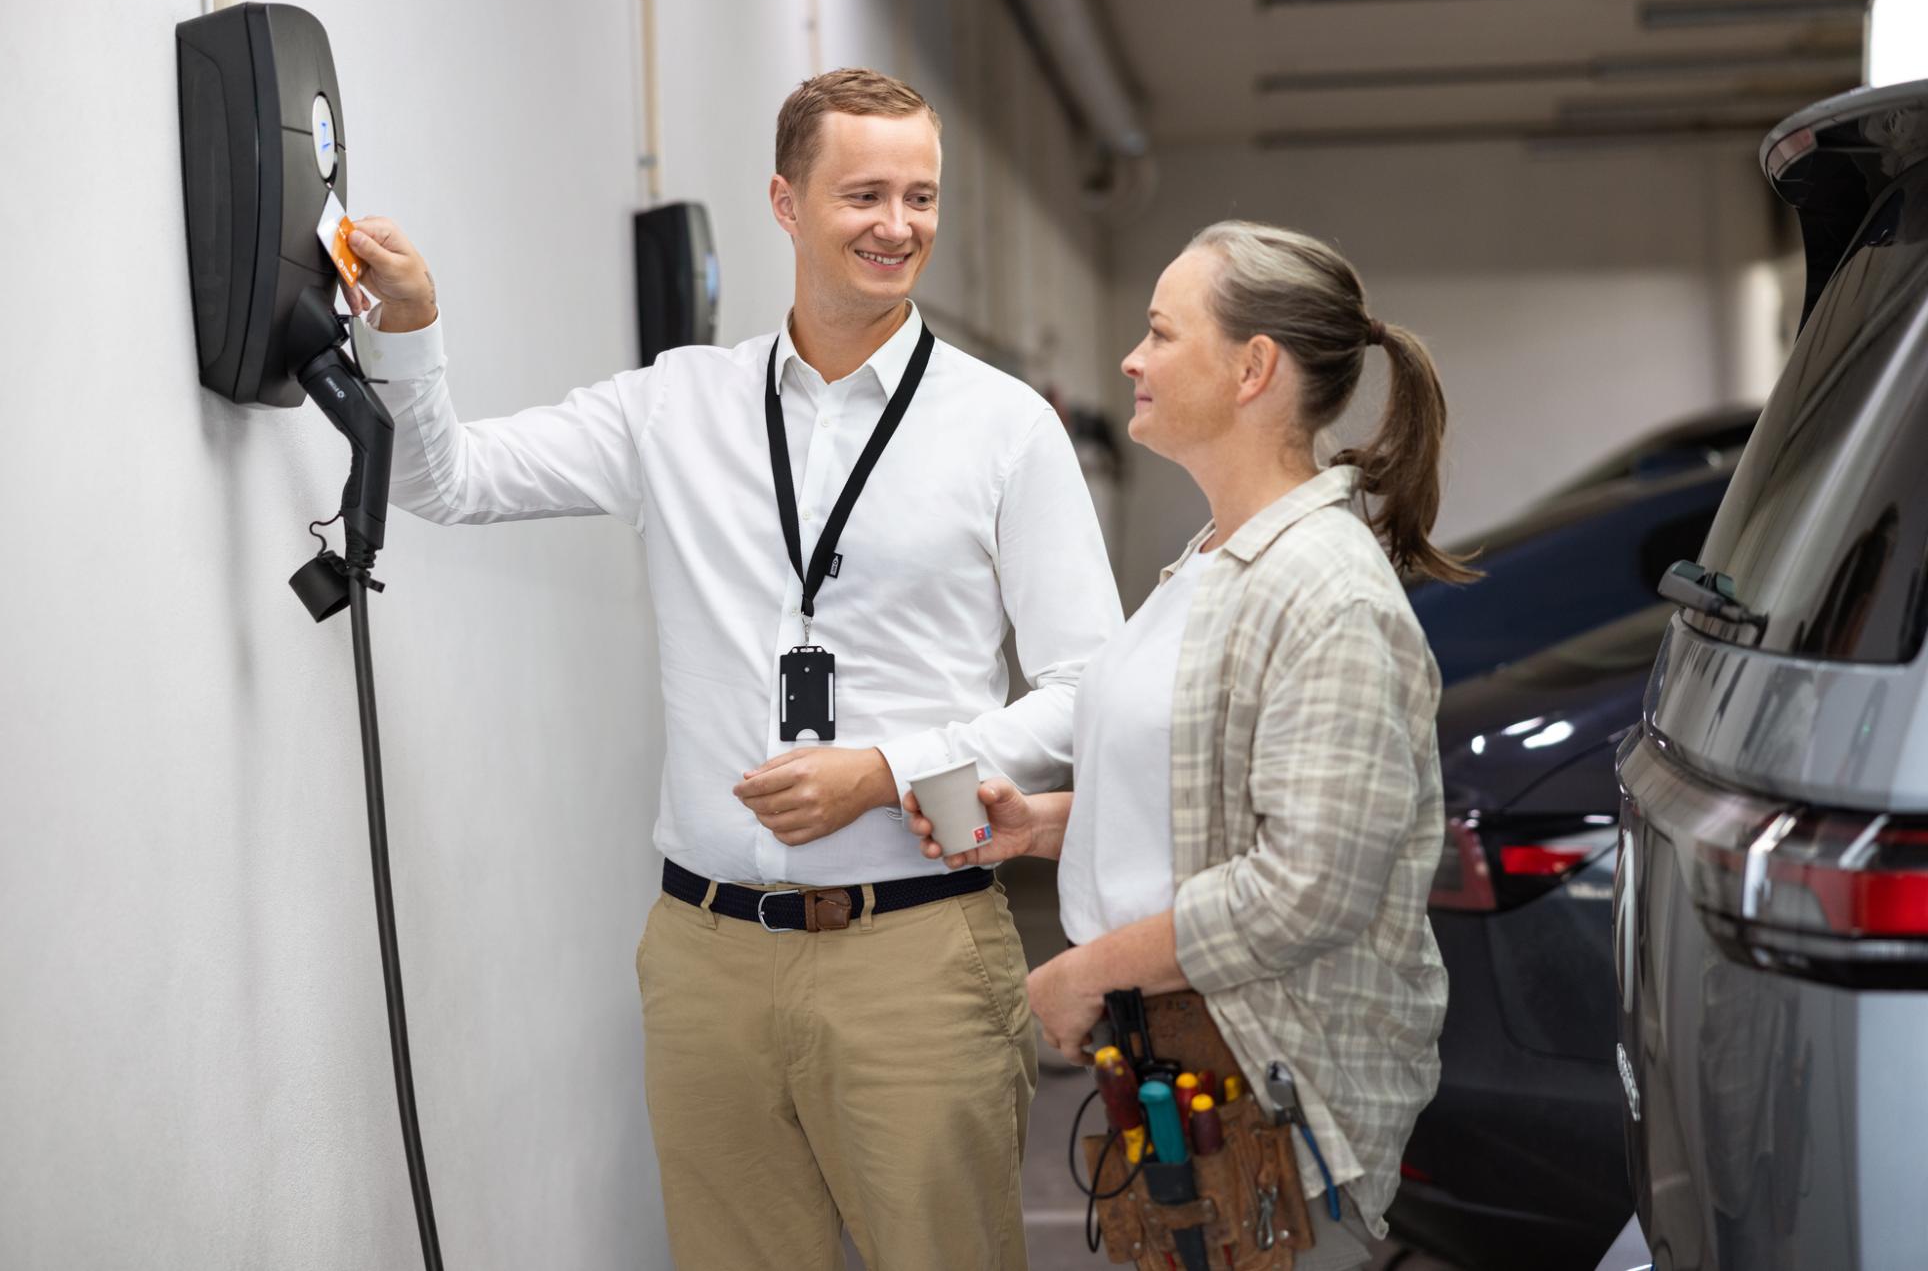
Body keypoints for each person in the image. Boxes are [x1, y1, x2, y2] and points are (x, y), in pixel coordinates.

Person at [339, 69, 1121, 1270]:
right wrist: (411, 325)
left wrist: (883, 769)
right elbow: (447, 481)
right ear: (783, 200)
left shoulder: (1003, 426)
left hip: (915, 954)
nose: (896, 225)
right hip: (705, 953)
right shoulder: (675, 406)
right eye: (863, 192)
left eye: (920, 196)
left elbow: (1085, 688)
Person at [910, 221, 1465, 1268]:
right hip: (1175, 1059)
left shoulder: (1328, 594)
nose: (1130, 358)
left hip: (1281, 1112)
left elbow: (1306, 884)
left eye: (1160, 333)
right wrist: (1042, 825)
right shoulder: (1214, 558)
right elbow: (1205, 802)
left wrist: (1081, 972)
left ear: (1253, 367)